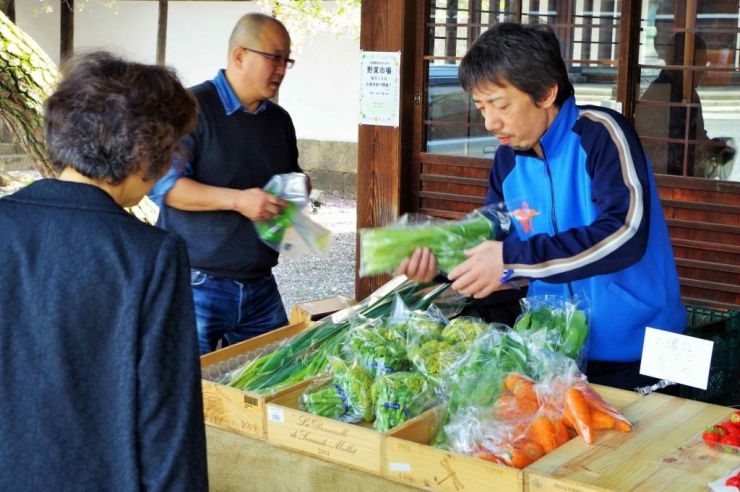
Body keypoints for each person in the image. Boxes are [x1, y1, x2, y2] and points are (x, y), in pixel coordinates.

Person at [399, 22, 687, 392]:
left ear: (547, 92)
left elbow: (624, 233)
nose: (490, 122)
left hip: (641, 352)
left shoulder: (601, 133)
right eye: (481, 106)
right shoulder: (508, 158)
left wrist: (510, 259)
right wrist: (439, 263)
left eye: (500, 104)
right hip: (554, 351)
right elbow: (496, 241)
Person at [0, 52, 208, 490]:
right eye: (170, 148)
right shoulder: (150, 256)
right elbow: (167, 424)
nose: (169, 163)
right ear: (141, 149)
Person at [149, 12, 308, 356]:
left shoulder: (279, 121)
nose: (281, 69)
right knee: (189, 389)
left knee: (272, 382)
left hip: (259, 280)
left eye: (286, 60)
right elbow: (166, 188)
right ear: (239, 56)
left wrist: (297, 187)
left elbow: (286, 179)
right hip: (196, 280)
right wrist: (239, 201)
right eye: (273, 58)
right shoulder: (189, 108)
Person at [636, 32, 734, 177]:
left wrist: (712, 147)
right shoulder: (659, 95)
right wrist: (704, 151)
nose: (703, 72)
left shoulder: (689, 93)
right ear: (680, 62)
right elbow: (666, 154)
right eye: (700, 64)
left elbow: (697, 135)